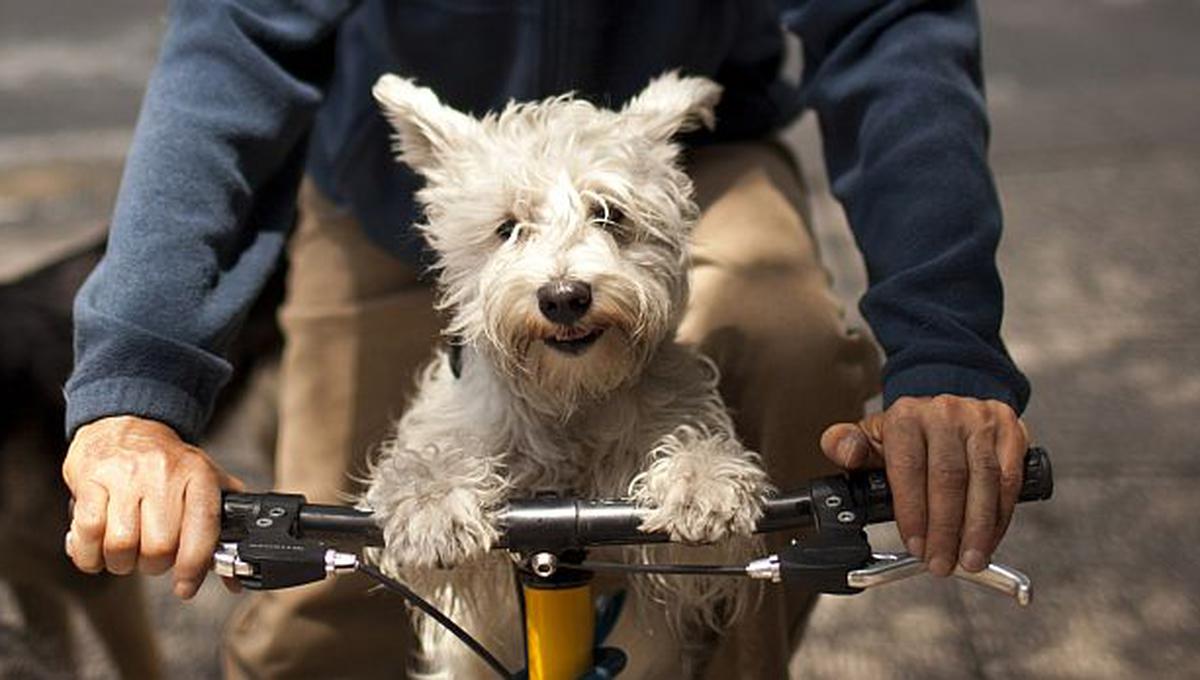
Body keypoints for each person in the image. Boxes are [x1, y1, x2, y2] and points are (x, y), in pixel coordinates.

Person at [61, 1, 1031, 677]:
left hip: (669, 154)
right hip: (406, 188)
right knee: (327, 595)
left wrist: (944, 349)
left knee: (788, 347)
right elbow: (232, 40)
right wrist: (135, 393)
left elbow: (889, 22)